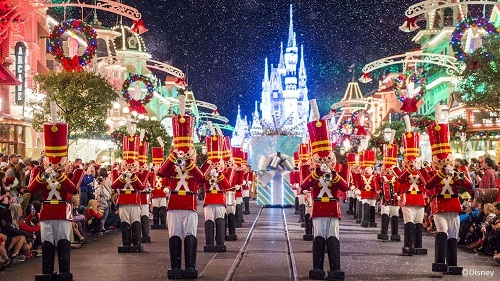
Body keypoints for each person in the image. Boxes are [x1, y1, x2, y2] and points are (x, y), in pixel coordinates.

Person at [158, 93, 205, 279]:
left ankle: (190, 267)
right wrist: (173, 157)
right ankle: (175, 267)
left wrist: (189, 162)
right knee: (174, 235)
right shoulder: (172, 163)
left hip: (190, 203)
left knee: (190, 235)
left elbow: (201, 178)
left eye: (188, 153)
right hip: (174, 204)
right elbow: (161, 173)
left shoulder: (194, 166)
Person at [27, 121, 81, 281]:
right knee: (47, 242)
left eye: (58, 163)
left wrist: (61, 176)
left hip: (63, 211)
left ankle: (64, 271)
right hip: (46, 212)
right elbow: (31, 189)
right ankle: (47, 271)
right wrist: (42, 175)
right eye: (50, 163)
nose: (54, 166)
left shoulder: (69, 175)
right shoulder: (40, 174)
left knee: (63, 240)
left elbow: (72, 189)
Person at [302, 103, 348, 281]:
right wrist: (317, 172)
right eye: (321, 159)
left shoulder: (338, 171)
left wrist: (333, 174)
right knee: (319, 237)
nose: (325, 162)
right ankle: (317, 268)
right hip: (318, 209)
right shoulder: (312, 172)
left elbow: (344, 187)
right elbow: (305, 185)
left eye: (328, 159)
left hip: (333, 209)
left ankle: (336, 269)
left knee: (333, 237)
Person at [423, 113, 472, 275]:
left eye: (447, 161)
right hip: (439, 206)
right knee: (442, 231)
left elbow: (469, 187)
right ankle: (439, 262)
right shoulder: (432, 172)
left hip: (454, 205)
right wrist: (441, 173)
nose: (444, 164)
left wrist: (458, 176)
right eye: (440, 162)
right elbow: (429, 185)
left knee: (453, 234)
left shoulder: (459, 171)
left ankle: (452, 263)